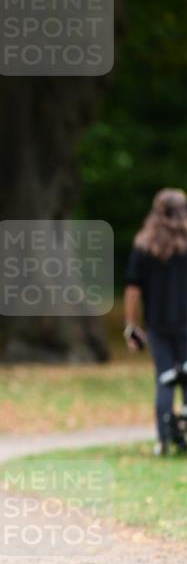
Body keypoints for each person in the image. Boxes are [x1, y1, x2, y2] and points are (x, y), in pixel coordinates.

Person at [123, 187, 187, 456]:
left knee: (164, 379)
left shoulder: (144, 246)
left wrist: (131, 324)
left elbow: (133, 289)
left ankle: (163, 440)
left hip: (158, 324)